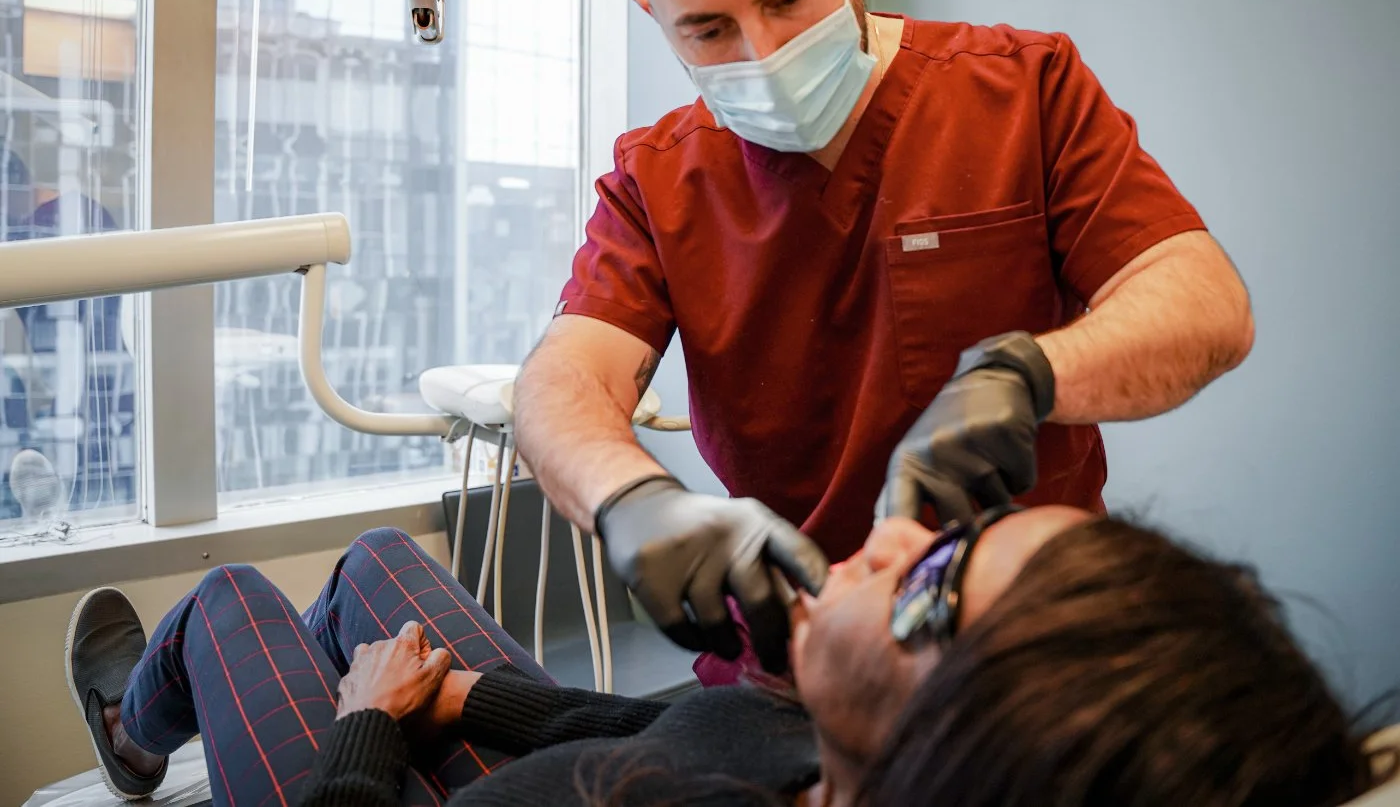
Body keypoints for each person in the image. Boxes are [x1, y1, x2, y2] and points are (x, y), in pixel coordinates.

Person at [513, 0, 1256, 682]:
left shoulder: (1023, 91)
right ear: (654, 18)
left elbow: (1206, 301)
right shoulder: (657, 178)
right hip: (797, 665)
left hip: (1030, 656)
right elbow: (564, 379)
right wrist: (627, 498)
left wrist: (1031, 374)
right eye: (708, 29)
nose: (764, 53)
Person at [66, 513, 1386, 806]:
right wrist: (466, 693)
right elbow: (648, 718)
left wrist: (364, 722)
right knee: (368, 564)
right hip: (506, 738)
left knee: (235, 593)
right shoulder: (824, 746)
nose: (899, 529)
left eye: (935, 579)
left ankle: (132, 738)